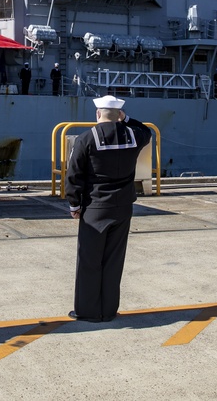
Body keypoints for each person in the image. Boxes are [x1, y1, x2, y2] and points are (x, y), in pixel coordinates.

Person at [65, 95, 152, 322]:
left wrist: (74, 204)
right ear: (119, 115)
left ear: (97, 113)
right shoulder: (134, 136)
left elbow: (74, 174)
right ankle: (109, 309)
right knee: (114, 261)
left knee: (89, 261)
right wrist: (127, 119)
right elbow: (146, 131)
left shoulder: (86, 139)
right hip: (123, 207)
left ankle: (87, 311)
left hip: (95, 207)